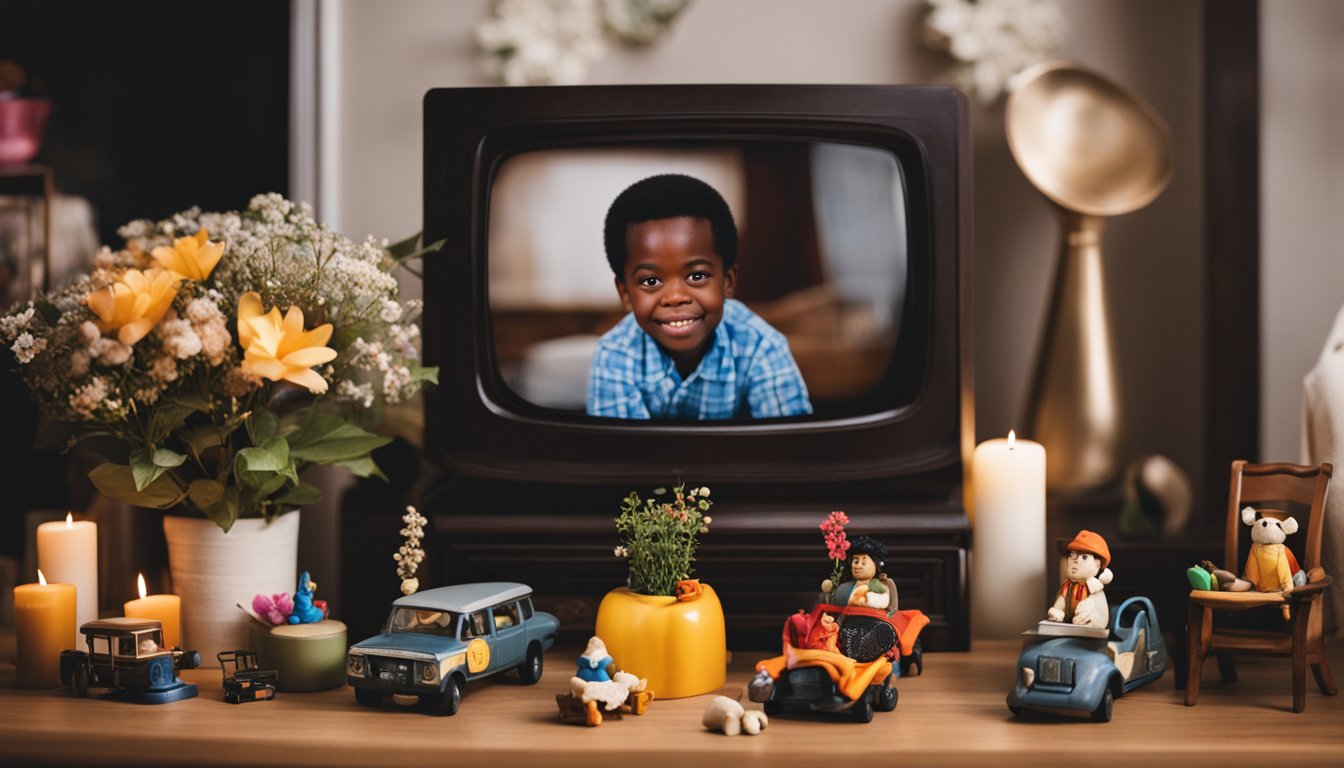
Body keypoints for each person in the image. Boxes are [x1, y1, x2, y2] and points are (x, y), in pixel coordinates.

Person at [586, 173, 812, 419]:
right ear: (626, 294)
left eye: (696, 276)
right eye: (651, 281)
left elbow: (788, 447)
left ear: (728, 281)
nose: (675, 297)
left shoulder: (761, 346)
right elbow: (620, 454)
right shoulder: (615, 356)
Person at [1048, 530, 1113, 629]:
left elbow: (1100, 610)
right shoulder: (1067, 585)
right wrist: (1057, 611)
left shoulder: (1093, 586)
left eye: (1084, 557)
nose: (1075, 560)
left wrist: (1090, 614)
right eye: (1072, 555)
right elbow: (1062, 600)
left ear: (1097, 563)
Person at [822, 536, 898, 612]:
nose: (858, 566)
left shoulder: (884, 584)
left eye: (864, 563)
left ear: (876, 564)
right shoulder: (845, 587)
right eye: (856, 561)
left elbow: (892, 612)